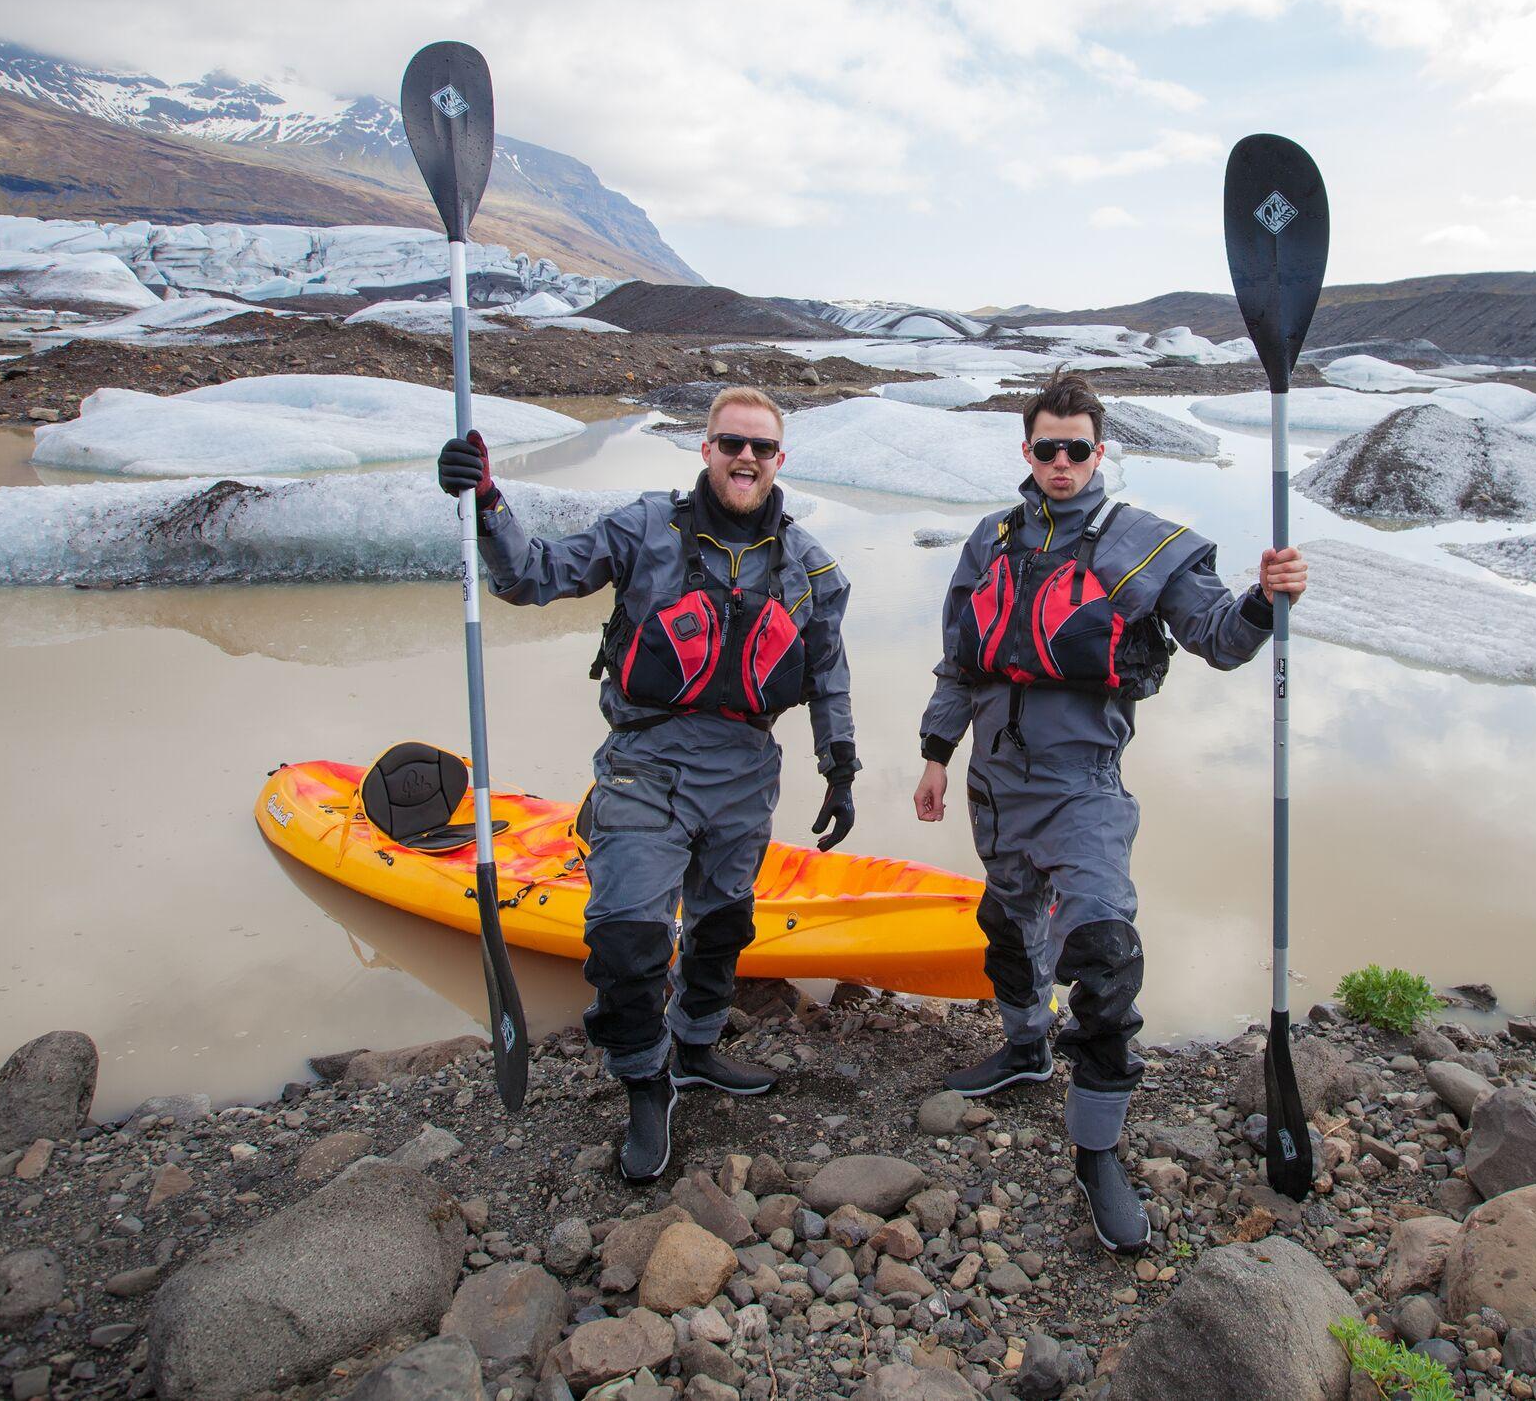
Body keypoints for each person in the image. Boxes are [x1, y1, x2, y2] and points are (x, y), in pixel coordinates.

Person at [911, 371, 1304, 1252]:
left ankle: (1097, 1151)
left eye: (1077, 448)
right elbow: (960, 663)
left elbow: (1219, 639)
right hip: (992, 781)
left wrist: (1263, 599)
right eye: (1046, 448)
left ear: (1100, 451)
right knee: (1007, 925)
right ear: (1027, 450)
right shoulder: (990, 540)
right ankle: (1025, 1049)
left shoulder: (1140, 544)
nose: (1061, 462)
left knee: (1103, 952)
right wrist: (936, 753)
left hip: (1082, 784)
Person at [436, 386, 857, 1183]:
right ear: (706, 448)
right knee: (627, 939)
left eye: (761, 447)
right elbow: (532, 575)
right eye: (731, 442)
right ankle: (645, 1082)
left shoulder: (811, 566)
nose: (745, 457)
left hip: (745, 772)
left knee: (722, 928)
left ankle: (696, 1047)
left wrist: (840, 767)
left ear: (779, 459)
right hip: (645, 762)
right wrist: (488, 504)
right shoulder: (644, 528)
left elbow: (829, 673)